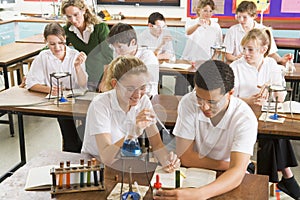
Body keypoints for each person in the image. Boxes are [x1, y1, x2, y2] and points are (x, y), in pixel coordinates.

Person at [154, 60, 258, 199]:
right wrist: (230, 166)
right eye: (199, 98)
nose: (204, 107)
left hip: (228, 177)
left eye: (212, 101)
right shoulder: (188, 102)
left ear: (230, 93)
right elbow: (186, 157)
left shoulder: (244, 118)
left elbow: (237, 174)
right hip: (199, 170)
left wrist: (199, 194)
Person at [230, 28, 300, 199]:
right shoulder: (235, 67)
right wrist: (248, 100)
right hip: (240, 114)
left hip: (265, 116)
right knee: (271, 137)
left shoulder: (272, 66)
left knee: (271, 136)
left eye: (250, 49)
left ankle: (264, 179)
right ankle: (284, 179)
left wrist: (272, 90)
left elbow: (281, 98)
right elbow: (228, 97)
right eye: (244, 48)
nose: (245, 53)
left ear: (263, 49)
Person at [81, 55, 180, 171]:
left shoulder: (143, 101)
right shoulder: (100, 105)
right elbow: (106, 157)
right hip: (95, 165)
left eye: (142, 88)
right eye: (130, 89)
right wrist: (132, 133)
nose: (138, 95)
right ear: (115, 84)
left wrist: (167, 161)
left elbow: (157, 145)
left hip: (124, 163)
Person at [25, 22, 88, 153]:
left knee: (84, 135)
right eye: (52, 44)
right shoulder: (43, 57)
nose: (57, 48)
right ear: (46, 42)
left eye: (60, 43)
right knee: (69, 136)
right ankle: (70, 155)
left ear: (65, 39)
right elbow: (30, 83)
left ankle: (82, 153)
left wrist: (77, 67)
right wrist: (50, 89)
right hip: (59, 103)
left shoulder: (75, 55)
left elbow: (83, 84)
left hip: (78, 102)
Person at [61, 0, 113, 91]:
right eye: (69, 17)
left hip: (102, 77)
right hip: (82, 78)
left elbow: (109, 58)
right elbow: (55, 45)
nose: (73, 20)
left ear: (84, 10)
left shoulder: (100, 28)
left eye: (76, 15)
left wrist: (104, 82)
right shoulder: (68, 30)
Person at [100, 22, 159, 97]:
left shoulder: (148, 58)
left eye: (120, 47)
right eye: (114, 47)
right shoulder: (119, 54)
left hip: (145, 100)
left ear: (133, 42)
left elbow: (146, 89)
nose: (117, 51)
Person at [223, 1, 290, 65]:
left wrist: (281, 60)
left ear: (254, 16)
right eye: (238, 17)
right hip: (239, 65)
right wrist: (236, 58)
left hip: (259, 66)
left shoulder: (263, 31)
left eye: (244, 17)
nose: (241, 20)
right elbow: (227, 54)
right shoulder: (232, 31)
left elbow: (271, 53)